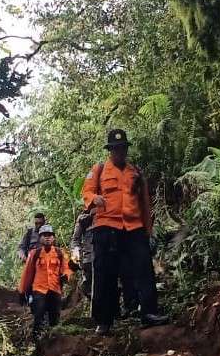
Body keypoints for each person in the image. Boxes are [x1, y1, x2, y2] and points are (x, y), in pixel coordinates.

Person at [82, 129, 168, 335]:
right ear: (110, 150)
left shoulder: (135, 172)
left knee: (143, 270)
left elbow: (145, 204)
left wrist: (148, 231)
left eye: (122, 148)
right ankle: (105, 321)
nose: (119, 151)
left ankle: (148, 312)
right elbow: (86, 191)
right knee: (105, 274)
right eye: (115, 148)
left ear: (126, 149)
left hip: (134, 227)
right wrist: (95, 199)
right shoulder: (100, 170)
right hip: (106, 226)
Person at [18, 225, 72, 338]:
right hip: (39, 290)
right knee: (39, 316)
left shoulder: (60, 253)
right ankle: (36, 342)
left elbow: (66, 268)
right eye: (44, 235)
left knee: (55, 319)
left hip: (55, 289)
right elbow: (27, 273)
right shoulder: (34, 254)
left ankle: (53, 345)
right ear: (40, 238)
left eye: (50, 235)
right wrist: (22, 291)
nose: (47, 238)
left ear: (53, 238)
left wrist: (66, 275)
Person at [70, 209, 95, 299]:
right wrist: (76, 256)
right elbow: (75, 240)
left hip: (107, 257)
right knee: (89, 288)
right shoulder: (84, 218)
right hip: (89, 259)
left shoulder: (109, 210)